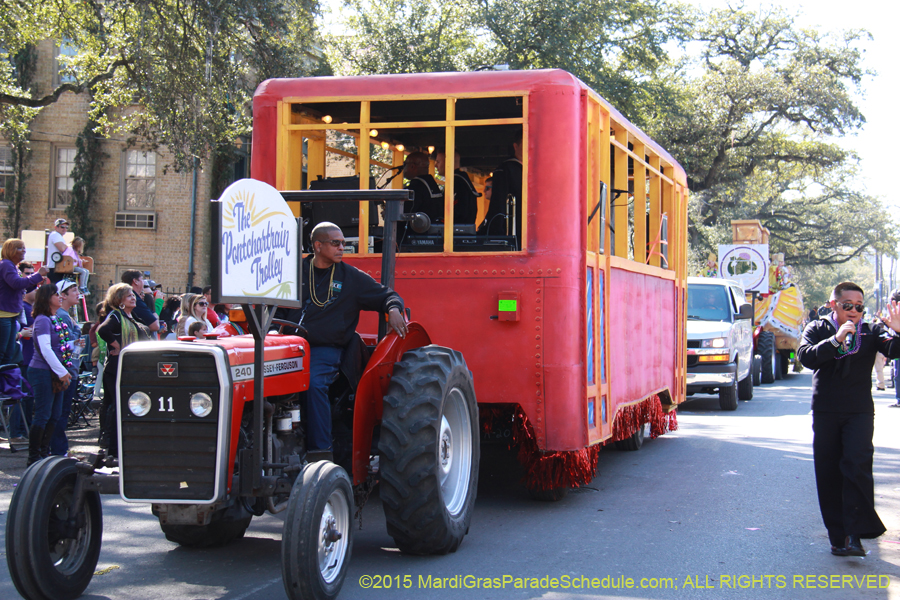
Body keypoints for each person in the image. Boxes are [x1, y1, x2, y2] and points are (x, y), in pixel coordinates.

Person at [798, 281, 900, 557]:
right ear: (834, 305)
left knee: (857, 466)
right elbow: (806, 357)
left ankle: (855, 535)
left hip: (859, 411)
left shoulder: (871, 330)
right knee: (829, 472)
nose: (854, 311)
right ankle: (838, 536)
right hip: (826, 410)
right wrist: (836, 339)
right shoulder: (818, 328)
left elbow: (894, 350)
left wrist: (898, 331)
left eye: (859, 307)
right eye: (848, 305)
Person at [293, 222, 406, 461]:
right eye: (336, 243)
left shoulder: (350, 277)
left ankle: (320, 454)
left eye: (344, 243)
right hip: (289, 346)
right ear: (318, 245)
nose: (342, 248)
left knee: (313, 383)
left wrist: (394, 309)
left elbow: (387, 295)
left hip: (325, 348)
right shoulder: (294, 272)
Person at [97, 283, 151, 456]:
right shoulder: (116, 316)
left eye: (133, 295)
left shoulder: (131, 316)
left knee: (123, 405)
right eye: (129, 296)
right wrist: (117, 345)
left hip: (131, 369)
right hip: (117, 369)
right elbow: (103, 330)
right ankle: (112, 447)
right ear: (119, 300)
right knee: (116, 405)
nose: (133, 298)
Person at [26, 283, 74, 465]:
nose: (60, 297)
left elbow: (60, 346)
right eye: (56, 294)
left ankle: (44, 455)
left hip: (55, 373)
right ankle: (34, 458)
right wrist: (62, 372)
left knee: (55, 415)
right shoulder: (42, 320)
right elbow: (45, 349)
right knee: (43, 414)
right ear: (47, 299)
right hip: (42, 372)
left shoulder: (54, 319)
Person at [50, 280, 85, 457]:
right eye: (73, 290)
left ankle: (59, 449)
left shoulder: (67, 316)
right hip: (66, 371)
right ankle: (58, 450)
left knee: (62, 412)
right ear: (62, 295)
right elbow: (68, 343)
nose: (78, 294)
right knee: (60, 413)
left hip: (72, 369)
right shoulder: (62, 316)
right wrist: (77, 339)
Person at [0, 239, 46, 364]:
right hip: (3, 315)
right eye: (19, 248)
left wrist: (37, 280)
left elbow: (21, 287)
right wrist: (37, 275)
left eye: (24, 248)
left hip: (11, 315)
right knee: (3, 352)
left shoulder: (13, 267)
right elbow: (16, 283)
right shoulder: (6, 265)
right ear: (10, 250)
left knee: (8, 354)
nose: (24, 251)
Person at [479, 130, 523, 238]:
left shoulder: (536, 171)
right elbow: (498, 203)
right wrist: (497, 232)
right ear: (516, 146)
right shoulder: (505, 170)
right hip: (511, 231)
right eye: (525, 144)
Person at [434, 149, 479, 225]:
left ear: (449, 162)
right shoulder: (463, 180)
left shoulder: (456, 183)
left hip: (455, 229)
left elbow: (456, 212)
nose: (435, 165)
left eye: (438, 162)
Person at [403, 151, 443, 225]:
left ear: (412, 166)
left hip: (418, 230)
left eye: (405, 164)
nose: (403, 168)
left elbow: (406, 214)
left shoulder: (415, 188)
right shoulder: (433, 186)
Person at [120, 270, 160, 335]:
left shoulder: (134, 298)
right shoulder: (136, 300)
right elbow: (155, 326)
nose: (143, 282)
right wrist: (156, 316)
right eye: (142, 279)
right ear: (135, 281)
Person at [45, 218, 70, 283]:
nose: (64, 229)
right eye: (62, 227)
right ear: (56, 227)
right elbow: (62, 249)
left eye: (66, 227)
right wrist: (68, 247)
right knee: (57, 288)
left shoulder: (59, 236)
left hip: (59, 267)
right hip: (55, 267)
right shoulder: (55, 234)